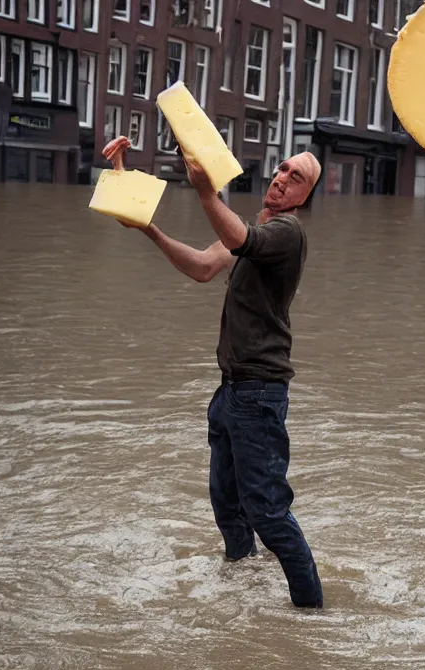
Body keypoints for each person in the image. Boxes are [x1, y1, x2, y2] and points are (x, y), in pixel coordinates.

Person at [122, 148, 325, 609]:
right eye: (281, 168)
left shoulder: (286, 234)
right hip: (231, 392)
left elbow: (241, 241)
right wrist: (149, 229)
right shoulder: (255, 232)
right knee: (227, 505)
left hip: (259, 393)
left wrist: (204, 191)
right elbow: (202, 266)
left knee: (269, 513)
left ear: (304, 195)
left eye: (295, 177)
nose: (281, 178)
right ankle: (242, 586)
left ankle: (312, 613)